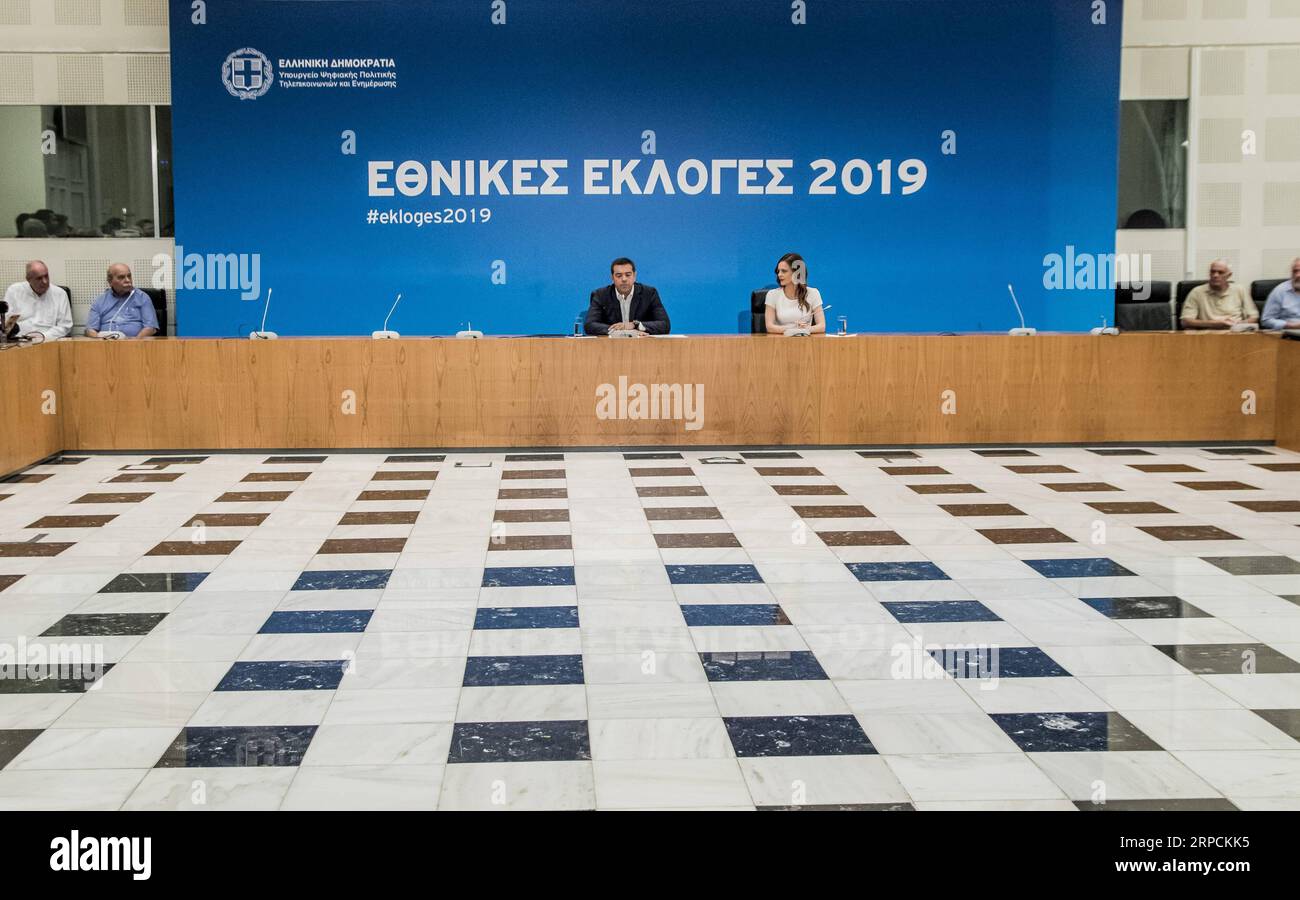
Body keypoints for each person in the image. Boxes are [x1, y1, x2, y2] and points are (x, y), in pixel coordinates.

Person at [584, 258, 670, 336]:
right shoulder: (600, 295)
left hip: (642, 346)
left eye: (628, 275)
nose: (624, 279)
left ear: (634, 276)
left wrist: (635, 325)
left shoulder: (649, 293)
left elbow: (664, 325)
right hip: (611, 347)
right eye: (619, 275)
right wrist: (621, 332)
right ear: (612, 278)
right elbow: (590, 325)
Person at [2, 260, 73, 341]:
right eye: (39, 278)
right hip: (20, 341)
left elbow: (65, 326)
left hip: (49, 341)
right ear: (28, 279)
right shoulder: (14, 291)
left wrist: (43, 336)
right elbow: (5, 323)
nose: (45, 281)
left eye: (46, 276)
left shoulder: (60, 294)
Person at [85, 263, 158, 338]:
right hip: (105, 345)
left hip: (135, 345)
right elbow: (90, 329)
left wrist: (135, 342)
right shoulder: (100, 300)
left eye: (129, 276)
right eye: (121, 277)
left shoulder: (142, 297)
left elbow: (150, 328)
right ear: (110, 282)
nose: (127, 280)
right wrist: (100, 341)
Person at [1180, 259, 1258, 329]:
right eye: (1212, 271)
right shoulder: (1197, 292)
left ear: (1229, 275)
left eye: (1220, 272)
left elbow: (1254, 317)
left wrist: (1238, 325)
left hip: (1235, 334)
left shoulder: (1240, 290)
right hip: (1207, 336)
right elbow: (1185, 322)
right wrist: (1215, 324)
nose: (1215, 275)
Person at [764, 252, 825, 334]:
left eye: (784, 271)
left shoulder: (813, 293)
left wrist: (806, 329)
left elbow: (821, 326)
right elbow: (770, 327)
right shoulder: (772, 295)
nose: (779, 274)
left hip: (805, 342)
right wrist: (793, 328)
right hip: (780, 342)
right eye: (778, 271)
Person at [1261, 258, 1300, 331]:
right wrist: (1291, 325)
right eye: (1295, 271)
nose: (1298, 275)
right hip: (1288, 335)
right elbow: (1266, 320)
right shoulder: (1280, 291)